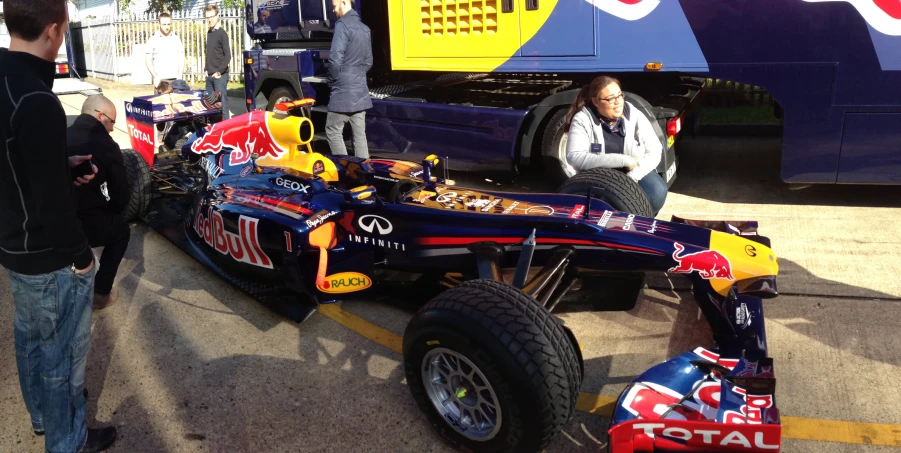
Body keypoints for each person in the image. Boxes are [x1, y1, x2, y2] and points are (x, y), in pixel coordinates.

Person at [0, 0, 117, 452]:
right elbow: (50, 203)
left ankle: (42, 420)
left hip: (13, 247)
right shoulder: (37, 98)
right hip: (48, 257)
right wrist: (82, 258)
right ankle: (68, 442)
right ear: (54, 30)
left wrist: (59, 162)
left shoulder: (9, 82)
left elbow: (15, 160)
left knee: (29, 340)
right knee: (63, 356)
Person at [564, 75, 668, 216]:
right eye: (610, 99)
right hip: (599, 175)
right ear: (595, 101)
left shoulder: (634, 114)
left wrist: (633, 176)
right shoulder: (583, 119)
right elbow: (574, 157)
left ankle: (642, 222)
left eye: (619, 96)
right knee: (603, 205)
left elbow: (655, 149)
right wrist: (624, 160)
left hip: (633, 171)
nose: (618, 102)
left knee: (656, 192)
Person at [67, 95, 131, 310]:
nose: (112, 128)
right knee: (121, 232)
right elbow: (121, 194)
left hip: (53, 221)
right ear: (101, 116)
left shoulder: (59, 135)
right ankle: (101, 293)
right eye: (112, 122)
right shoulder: (107, 144)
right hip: (84, 222)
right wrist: (112, 213)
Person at [325, 0, 373, 158]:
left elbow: (334, 59)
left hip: (342, 92)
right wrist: (357, 75)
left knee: (333, 130)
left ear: (344, 3)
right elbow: (368, 62)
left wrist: (332, 80)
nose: (333, 10)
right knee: (360, 136)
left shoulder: (342, 25)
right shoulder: (365, 29)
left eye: (334, 6)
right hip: (360, 91)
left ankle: (346, 171)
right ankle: (364, 174)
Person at [145, 12, 185, 94]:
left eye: (168, 24)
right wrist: (155, 77)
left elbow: (181, 57)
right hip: (160, 82)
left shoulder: (176, 39)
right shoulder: (153, 39)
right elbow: (148, 60)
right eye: (164, 24)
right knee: (160, 106)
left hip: (175, 81)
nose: (167, 27)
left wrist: (180, 74)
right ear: (159, 24)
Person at [204, 5, 231, 119]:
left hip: (219, 76)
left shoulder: (222, 33)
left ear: (217, 16)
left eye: (212, 16)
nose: (210, 19)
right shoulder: (209, 33)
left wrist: (219, 71)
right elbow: (210, 53)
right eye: (208, 17)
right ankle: (214, 132)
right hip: (209, 76)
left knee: (222, 106)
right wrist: (206, 68)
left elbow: (228, 56)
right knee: (210, 107)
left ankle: (227, 133)